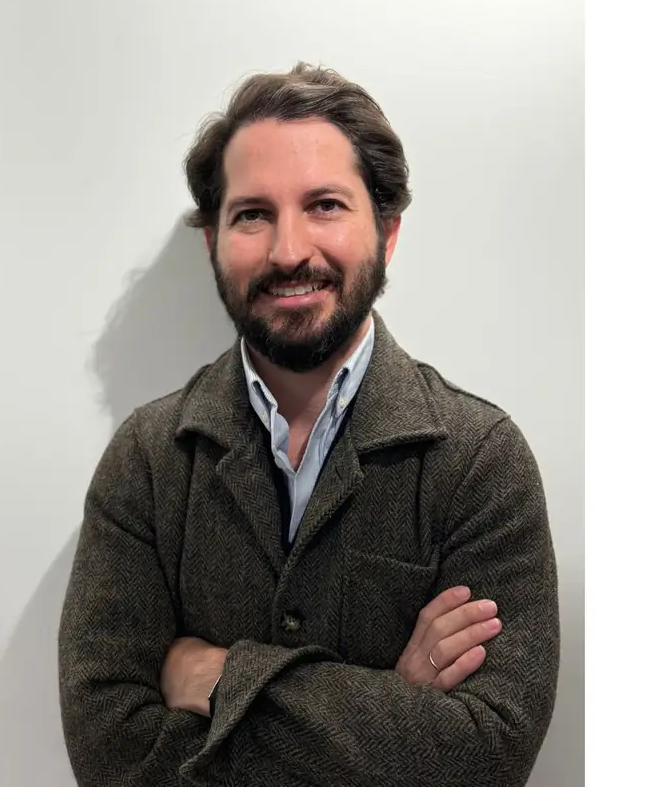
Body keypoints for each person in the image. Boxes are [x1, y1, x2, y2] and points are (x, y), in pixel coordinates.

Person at [58, 62, 559, 787]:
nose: (289, 250)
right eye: (252, 214)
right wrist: (392, 703)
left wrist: (223, 679)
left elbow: (489, 756)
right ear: (212, 242)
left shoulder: (481, 461)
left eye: (324, 205)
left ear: (387, 233)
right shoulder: (145, 460)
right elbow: (108, 752)